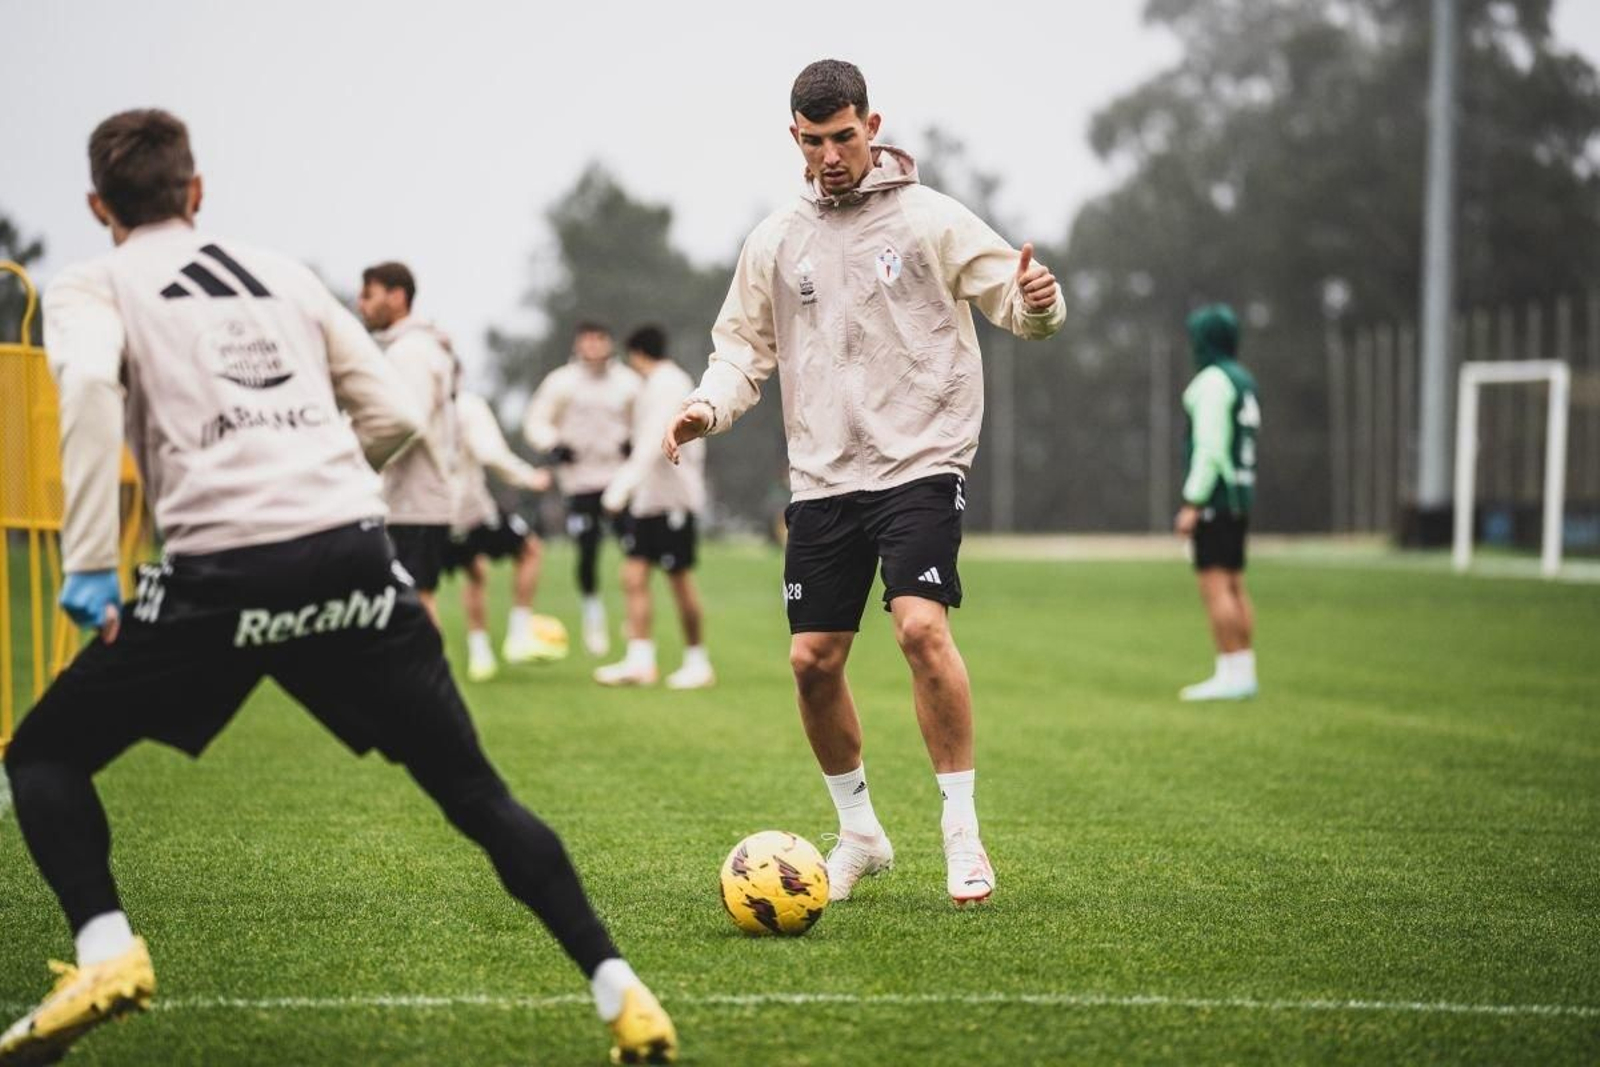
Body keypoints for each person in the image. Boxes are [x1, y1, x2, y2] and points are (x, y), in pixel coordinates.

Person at [0, 109, 676, 1066]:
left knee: (43, 757)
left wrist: (86, 561)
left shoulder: (91, 281)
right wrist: (320, 481)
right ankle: (627, 995)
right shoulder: (283, 274)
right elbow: (397, 413)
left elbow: (87, 387)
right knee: (476, 793)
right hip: (352, 558)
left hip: (221, 572)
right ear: (196, 193)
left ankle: (105, 950)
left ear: (96, 204)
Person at [662, 60, 1064, 905]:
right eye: (815, 142)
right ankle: (861, 834)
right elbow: (741, 352)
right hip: (821, 478)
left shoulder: (929, 219)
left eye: (845, 136)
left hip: (920, 461)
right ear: (795, 139)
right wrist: (707, 406)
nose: (832, 155)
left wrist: (1038, 299)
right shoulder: (776, 239)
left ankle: (961, 832)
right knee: (813, 659)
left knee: (920, 628)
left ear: (872, 126)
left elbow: (1016, 304)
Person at [595, 326, 713, 690]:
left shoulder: (668, 383)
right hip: (649, 500)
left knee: (679, 580)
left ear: (637, 353)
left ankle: (697, 661)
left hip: (674, 498)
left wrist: (618, 491)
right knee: (633, 576)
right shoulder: (650, 386)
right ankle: (640, 660)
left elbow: (651, 442)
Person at [521, 323, 641, 657]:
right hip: (580, 480)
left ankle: (634, 621)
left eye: (599, 340)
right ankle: (593, 614)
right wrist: (553, 445)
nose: (592, 347)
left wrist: (635, 441)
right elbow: (536, 420)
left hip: (619, 480)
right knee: (587, 552)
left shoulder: (627, 383)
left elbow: (643, 419)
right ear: (577, 345)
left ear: (609, 343)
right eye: (586, 341)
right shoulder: (561, 382)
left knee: (634, 550)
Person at [356, 261, 459, 628]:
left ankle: (430, 684)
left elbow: (406, 423)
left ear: (398, 297)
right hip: (412, 499)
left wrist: (354, 463)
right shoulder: (413, 347)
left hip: (416, 500)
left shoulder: (410, 352)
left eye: (369, 294)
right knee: (404, 599)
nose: (360, 304)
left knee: (415, 600)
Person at [446, 389, 566, 682]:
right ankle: (519, 634)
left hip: (423, 514)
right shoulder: (467, 403)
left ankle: (479, 655)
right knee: (530, 550)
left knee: (472, 572)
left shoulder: (412, 398)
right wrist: (529, 477)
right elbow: (491, 453)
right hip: (469, 509)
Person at [1173, 303, 1260, 701]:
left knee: (1215, 586)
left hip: (1216, 495)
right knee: (1236, 584)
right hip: (1240, 494)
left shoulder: (1211, 382)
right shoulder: (1243, 379)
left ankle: (1230, 671)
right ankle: (1244, 669)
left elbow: (1209, 447)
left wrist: (1193, 500)